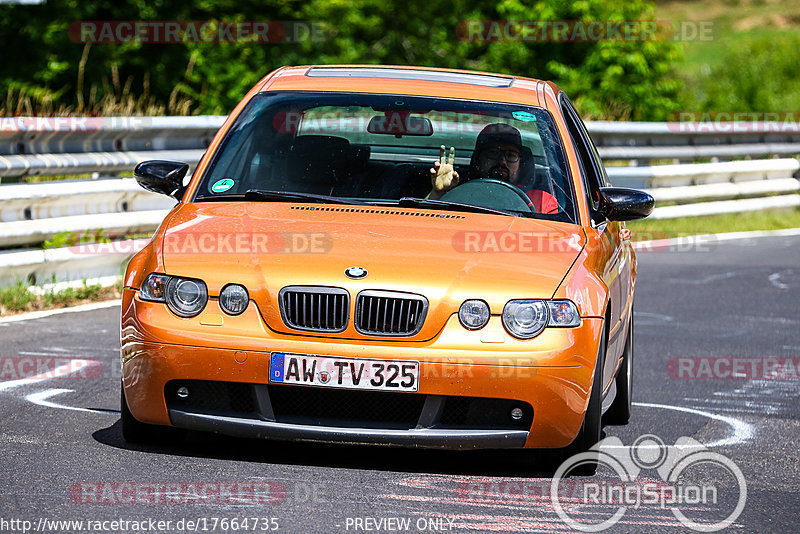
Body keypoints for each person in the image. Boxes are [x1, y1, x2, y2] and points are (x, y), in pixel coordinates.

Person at [428, 123, 559, 214]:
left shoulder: (542, 201)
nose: (502, 161)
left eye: (511, 155)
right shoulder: (457, 193)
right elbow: (429, 226)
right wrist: (438, 194)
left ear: (521, 163)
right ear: (477, 159)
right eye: (492, 153)